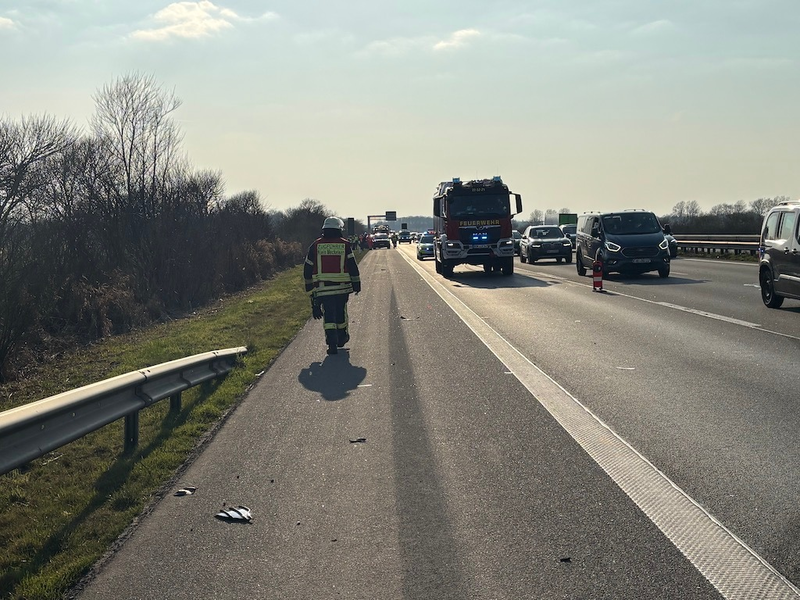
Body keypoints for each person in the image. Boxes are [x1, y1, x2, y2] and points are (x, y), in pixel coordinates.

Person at [303, 217, 361, 355]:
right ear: (339, 230)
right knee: (340, 313)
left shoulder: (315, 245)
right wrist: (357, 284)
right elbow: (352, 266)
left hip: (323, 289)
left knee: (328, 316)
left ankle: (332, 344)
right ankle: (342, 337)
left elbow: (307, 269)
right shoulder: (345, 245)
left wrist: (310, 292)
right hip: (341, 289)